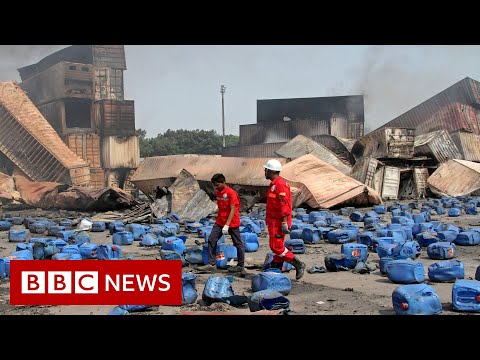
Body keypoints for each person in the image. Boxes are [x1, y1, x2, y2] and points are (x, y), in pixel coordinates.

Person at [264, 159, 306, 280]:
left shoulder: (280, 185)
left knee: (276, 247)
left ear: (271, 171)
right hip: (274, 221)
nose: (264, 172)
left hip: (278, 222)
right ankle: (276, 268)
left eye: (266, 170)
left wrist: (283, 223)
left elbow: (284, 206)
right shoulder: (273, 185)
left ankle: (298, 263)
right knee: (278, 245)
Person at [196, 173, 245, 274]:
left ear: (223, 182)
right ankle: (211, 264)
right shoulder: (218, 192)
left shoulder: (231, 193)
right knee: (211, 239)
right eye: (214, 185)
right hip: (220, 221)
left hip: (232, 222)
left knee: (238, 243)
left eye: (217, 185)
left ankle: (240, 265)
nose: (216, 187)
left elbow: (233, 210)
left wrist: (227, 225)